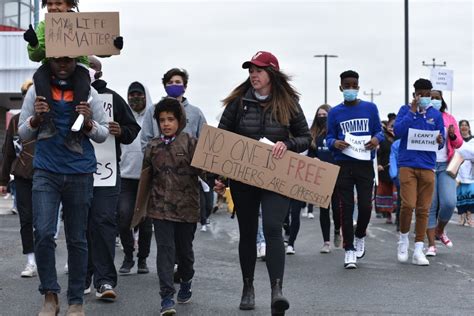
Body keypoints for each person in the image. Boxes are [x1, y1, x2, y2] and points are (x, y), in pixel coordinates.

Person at [215, 51, 311, 315]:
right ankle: (248, 287)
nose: (253, 75)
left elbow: (306, 138)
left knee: (272, 227)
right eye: (250, 71)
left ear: (272, 74)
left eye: (258, 70)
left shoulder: (288, 103)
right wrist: (220, 177)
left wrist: (288, 144)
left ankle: (276, 290)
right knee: (247, 232)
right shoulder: (238, 103)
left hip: (275, 177)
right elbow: (222, 140)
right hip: (244, 178)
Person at [18, 56, 109, 316]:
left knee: (77, 239)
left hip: (80, 172)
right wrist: (36, 119)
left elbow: (103, 134)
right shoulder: (37, 89)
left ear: (76, 60)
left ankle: (76, 301)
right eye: (57, 58)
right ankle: (50, 296)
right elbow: (23, 134)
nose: (62, 63)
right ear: (49, 58)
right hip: (46, 171)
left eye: (68, 59)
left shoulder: (88, 92)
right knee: (44, 233)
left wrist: (89, 122)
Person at [22, 0, 122, 153]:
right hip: (51, 65)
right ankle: (47, 121)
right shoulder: (43, 26)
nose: (53, 7)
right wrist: (34, 43)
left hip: (77, 66)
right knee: (38, 77)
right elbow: (35, 56)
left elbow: (99, 46)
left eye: (59, 3)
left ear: (69, 5)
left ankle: (75, 131)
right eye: (49, 4)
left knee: (83, 84)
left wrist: (114, 45)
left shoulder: (81, 23)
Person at [136, 97, 202, 315]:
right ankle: (166, 298)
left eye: (170, 119)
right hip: (160, 209)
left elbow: (206, 171)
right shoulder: (152, 147)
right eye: (162, 120)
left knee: (185, 253)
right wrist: (140, 210)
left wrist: (219, 182)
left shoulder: (191, 143)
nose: (166, 124)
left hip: (187, 209)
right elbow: (145, 179)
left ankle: (186, 279)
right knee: (165, 252)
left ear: (180, 120)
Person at [85, 56, 140, 299]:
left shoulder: (112, 98)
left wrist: (121, 131)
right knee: (80, 225)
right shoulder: (67, 95)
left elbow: (131, 129)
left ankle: (105, 280)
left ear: (99, 71)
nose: (88, 70)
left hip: (106, 172)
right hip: (76, 172)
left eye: (92, 67)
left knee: (105, 222)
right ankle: (83, 277)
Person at [326, 70, 384, 269]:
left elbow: (379, 131)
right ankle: (349, 249)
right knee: (346, 207)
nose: (350, 89)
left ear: (358, 88)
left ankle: (360, 235)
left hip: (365, 163)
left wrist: (376, 139)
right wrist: (335, 143)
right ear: (341, 88)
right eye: (347, 86)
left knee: (366, 207)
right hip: (344, 163)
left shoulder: (370, 108)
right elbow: (329, 137)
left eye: (354, 86)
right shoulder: (335, 112)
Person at [393, 78, 444, 266]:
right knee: (408, 204)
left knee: (424, 209)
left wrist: (440, 140)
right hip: (407, 164)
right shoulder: (404, 110)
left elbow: (442, 140)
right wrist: (412, 112)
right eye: (421, 94)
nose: (424, 97)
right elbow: (398, 131)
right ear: (415, 93)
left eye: (427, 94)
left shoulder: (435, 115)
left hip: (428, 165)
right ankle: (403, 240)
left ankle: (419, 248)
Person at [0, 79, 36, 277]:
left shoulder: (48, 118)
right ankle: (30, 260)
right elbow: (8, 152)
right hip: (22, 176)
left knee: (45, 222)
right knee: (26, 219)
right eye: (26, 95)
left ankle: (44, 257)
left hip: (46, 176)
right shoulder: (15, 121)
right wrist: (4, 180)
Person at [117, 81, 154, 275]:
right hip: (125, 176)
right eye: (131, 94)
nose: (134, 98)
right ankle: (128, 256)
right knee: (124, 218)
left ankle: (142, 259)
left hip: (146, 178)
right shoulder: (124, 118)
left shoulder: (152, 118)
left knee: (146, 221)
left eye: (139, 94)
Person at [424, 90, 463, 256]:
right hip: (428, 165)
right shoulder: (423, 116)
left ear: (442, 100)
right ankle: (431, 244)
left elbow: (459, 143)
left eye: (437, 98)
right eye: (431, 97)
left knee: (449, 202)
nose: (434, 100)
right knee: (430, 205)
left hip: (446, 166)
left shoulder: (449, 118)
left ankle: (440, 230)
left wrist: (453, 136)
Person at [308, 104, 341, 253]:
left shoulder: (337, 133)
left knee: (336, 208)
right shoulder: (314, 135)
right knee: (323, 210)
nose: (322, 118)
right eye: (319, 115)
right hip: (321, 177)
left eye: (325, 115)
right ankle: (326, 242)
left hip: (337, 175)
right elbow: (310, 154)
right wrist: (314, 159)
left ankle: (337, 230)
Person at [375, 118, 397, 224]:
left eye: (394, 126)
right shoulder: (382, 138)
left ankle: (399, 215)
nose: (392, 129)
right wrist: (378, 164)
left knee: (397, 193)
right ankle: (388, 214)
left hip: (398, 169)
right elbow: (377, 154)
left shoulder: (400, 137)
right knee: (386, 192)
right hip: (384, 169)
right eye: (391, 126)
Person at [456, 120, 474, 226]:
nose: (464, 127)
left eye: (466, 125)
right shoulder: (457, 140)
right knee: (460, 194)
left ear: (469, 127)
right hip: (459, 169)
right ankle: (462, 215)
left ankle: (470, 216)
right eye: (461, 125)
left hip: (471, 170)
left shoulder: (473, 140)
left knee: (471, 194)